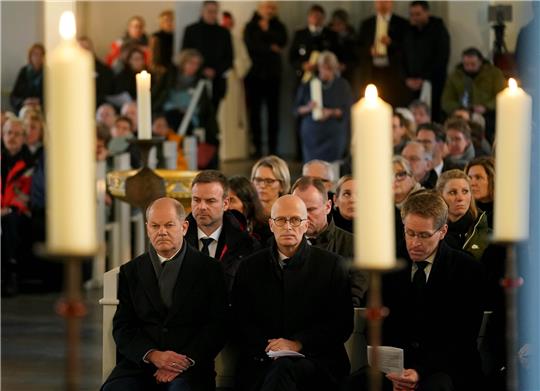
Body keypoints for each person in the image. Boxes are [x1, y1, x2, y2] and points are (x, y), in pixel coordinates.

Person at [101, 197, 228, 391]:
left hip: (190, 366)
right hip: (140, 366)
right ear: (147, 228)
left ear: (184, 227)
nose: (162, 232)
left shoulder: (210, 270)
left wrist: (182, 362)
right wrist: (153, 355)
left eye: (169, 225)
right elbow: (123, 327)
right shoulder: (131, 271)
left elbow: (217, 326)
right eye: (155, 226)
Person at [232, 194, 353, 391]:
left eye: (295, 220)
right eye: (281, 220)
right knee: (277, 371)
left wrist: (298, 343)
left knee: (284, 369)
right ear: (271, 225)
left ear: (306, 225)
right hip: (262, 358)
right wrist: (270, 346)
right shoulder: (249, 267)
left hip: (317, 361)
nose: (288, 226)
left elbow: (342, 324)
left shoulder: (331, 265)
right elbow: (240, 320)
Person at [382, 191, 484, 391]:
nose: (415, 242)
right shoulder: (389, 265)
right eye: (409, 232)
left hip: (447, 366)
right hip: (396, 366)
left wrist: (420, 371)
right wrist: (395, 370)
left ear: (443, 231)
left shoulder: (466, 269)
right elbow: (377, 325)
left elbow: (462, 337)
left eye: (424, 235)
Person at [292, 176, 368, 306]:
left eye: (311, 209)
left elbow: (353, 299)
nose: (304, 216)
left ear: (327, 207)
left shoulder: (355, 246)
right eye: (299, 210)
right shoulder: (280, 244)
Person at [184, 170, 259, 293]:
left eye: (210, 201)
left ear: (225, 204)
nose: (202, 207)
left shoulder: (247, 245)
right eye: (196, 200)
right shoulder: (176, 241)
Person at [152, 49, 220, 168]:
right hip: (168, 114)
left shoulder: (200, 81)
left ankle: (182, 159)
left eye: (197, 64)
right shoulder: (169, 77)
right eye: (190, 63)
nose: (193, 66)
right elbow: (159, 98)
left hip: (191, 118)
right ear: (182, 63)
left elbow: (204, 107)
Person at [243, 1, 288, 157]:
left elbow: (283, 41)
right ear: (260, 8)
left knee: (273, 112)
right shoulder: (251, 26)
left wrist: (266, 31)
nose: (270, 10)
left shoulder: (278, 25)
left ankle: (272, 148)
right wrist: (270, 46)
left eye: (272, 8)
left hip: (273, 75)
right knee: (255, 113)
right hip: (255, 75)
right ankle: (257, 147)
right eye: (267, 7)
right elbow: (251, 45)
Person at [295, 50, 353, 163]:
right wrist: (309, 107)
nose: (325, 72)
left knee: (332, 169)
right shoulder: (308, 84)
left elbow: (347, 109)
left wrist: (331, 112)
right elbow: (297, 109)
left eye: (329, 68)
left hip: (333, 136)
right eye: (323, 67)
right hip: (312, 136)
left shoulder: (342, 85)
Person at [442, 47, 505, 143]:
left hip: (488, 113)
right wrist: (459, 109)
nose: (469, 67)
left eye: (473, 64)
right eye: (466, 64)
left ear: (480, 62)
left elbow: (502, 95)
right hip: (462, 112)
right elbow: (446, 101)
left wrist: (486, 107)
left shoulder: (494, 74)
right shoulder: (455, 76)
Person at [1, 118, 34, 297]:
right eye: (8, 133)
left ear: (24, 138)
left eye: (17, 134)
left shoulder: (30, 164)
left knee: (10, 222)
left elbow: (24, 194)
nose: (12, 137)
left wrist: (8, 209)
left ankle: (11, 275)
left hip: (18, 213)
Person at [402, 1, 450, 122]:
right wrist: (406, 78)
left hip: (433, 82)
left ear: (427, 13)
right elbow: (402, 56)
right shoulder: (408, 31)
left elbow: (441, 57)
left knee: (431, 114)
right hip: (410, 84)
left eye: (418, 14)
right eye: (412, 14)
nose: (414, 18)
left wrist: (423, 78)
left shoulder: (438, 30)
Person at [182, 1, 233, 110]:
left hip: (217, 81)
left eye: (215, 12)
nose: (212, 14)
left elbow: (229, 58)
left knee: (212, 117)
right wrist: (202, 69)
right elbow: (185, 55)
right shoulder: (191, 30)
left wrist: (215, 71)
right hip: (194, 79)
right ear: (202, 12)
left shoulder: (224, 33)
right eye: (209, 11)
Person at [358, 0, 409, 106]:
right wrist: (369, 51)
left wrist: (391, 43)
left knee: (393, 102)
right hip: (372, 72)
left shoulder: (402, 24)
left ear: (392, 3)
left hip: (393, 73)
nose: (382, 4)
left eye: (386, 1)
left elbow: (407, 49)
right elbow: (358, 47)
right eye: (379, 1)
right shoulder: (366, 24)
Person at [436, 169, 490, 261]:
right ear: (440, 196)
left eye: (465, 191)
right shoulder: (432, 231)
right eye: (452, 192)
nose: (460, 198)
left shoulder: (486, 234)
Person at [289, 4, 339, 85]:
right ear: (309, 17)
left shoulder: (331, 35)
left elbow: (337, 55)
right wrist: (302, 65)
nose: (316, 19)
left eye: (319, 17)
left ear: (323, 18)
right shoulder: (300, 34)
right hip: (305, 77)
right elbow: (292, 57)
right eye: (314, 16)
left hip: (325, 77)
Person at [227, 175, 271, 244]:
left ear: (247, 203)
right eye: (224, 200)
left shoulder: (267, 231)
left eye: (232, 200)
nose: (226, 206)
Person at [393, 156, 423, 252]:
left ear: (413, 178)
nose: (394, 179)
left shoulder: (426, 201)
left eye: (401, 174)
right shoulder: (380, 207)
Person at [78, 36, 115, 107]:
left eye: (86, 49)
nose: (83, 52)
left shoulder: (104, 70)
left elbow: (106, 93)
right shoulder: (70, 71)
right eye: (80, 49)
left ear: (92, 50)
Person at [328, 8, 359, 94]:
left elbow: (356, 57)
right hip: (329, 74)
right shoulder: (327, 35)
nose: (338, 26)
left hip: (347, 74)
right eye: (335, 23)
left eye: (340, 23)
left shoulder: (352, 36)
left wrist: (345, 66)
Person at [10, 43, 45, 113]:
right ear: (30, 57)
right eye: (35, 54)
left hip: (42, 110)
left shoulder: (47, 73)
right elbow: (13, 96)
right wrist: (24, 102)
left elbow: (52, 97)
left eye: (41, 55)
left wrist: (39, 101)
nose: (38, 58)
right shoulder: (24, 72)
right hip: (25, 109)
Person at [466, 156, 495, 228]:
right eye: (469, 178)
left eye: (478, 177)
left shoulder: (505, 213)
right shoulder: (466, 210)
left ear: (492, 180)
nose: (472, 183)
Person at [149, 10, 175, 77]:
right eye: (166, 20)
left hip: (173, 68)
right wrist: (156, 67)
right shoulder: (156, 36)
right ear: (161, 22)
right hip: (159, 69)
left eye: (171, 20)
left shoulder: (176, 36)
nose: (169, 23)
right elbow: (152, 55)